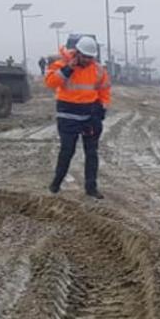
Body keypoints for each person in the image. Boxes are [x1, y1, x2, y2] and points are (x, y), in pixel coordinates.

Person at [45, 36, 111, 198]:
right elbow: (51, 82)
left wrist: (101, 107)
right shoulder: (61, 64)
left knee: (92, 152)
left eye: (91, 57)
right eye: (85, 57)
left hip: (89, 115)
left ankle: (91, 188)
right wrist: (68, 69)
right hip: (67, 115)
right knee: (67, 150)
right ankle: (56, 183)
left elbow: (104, 90)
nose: (88, 60)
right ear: (77, 53)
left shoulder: (98, 70)